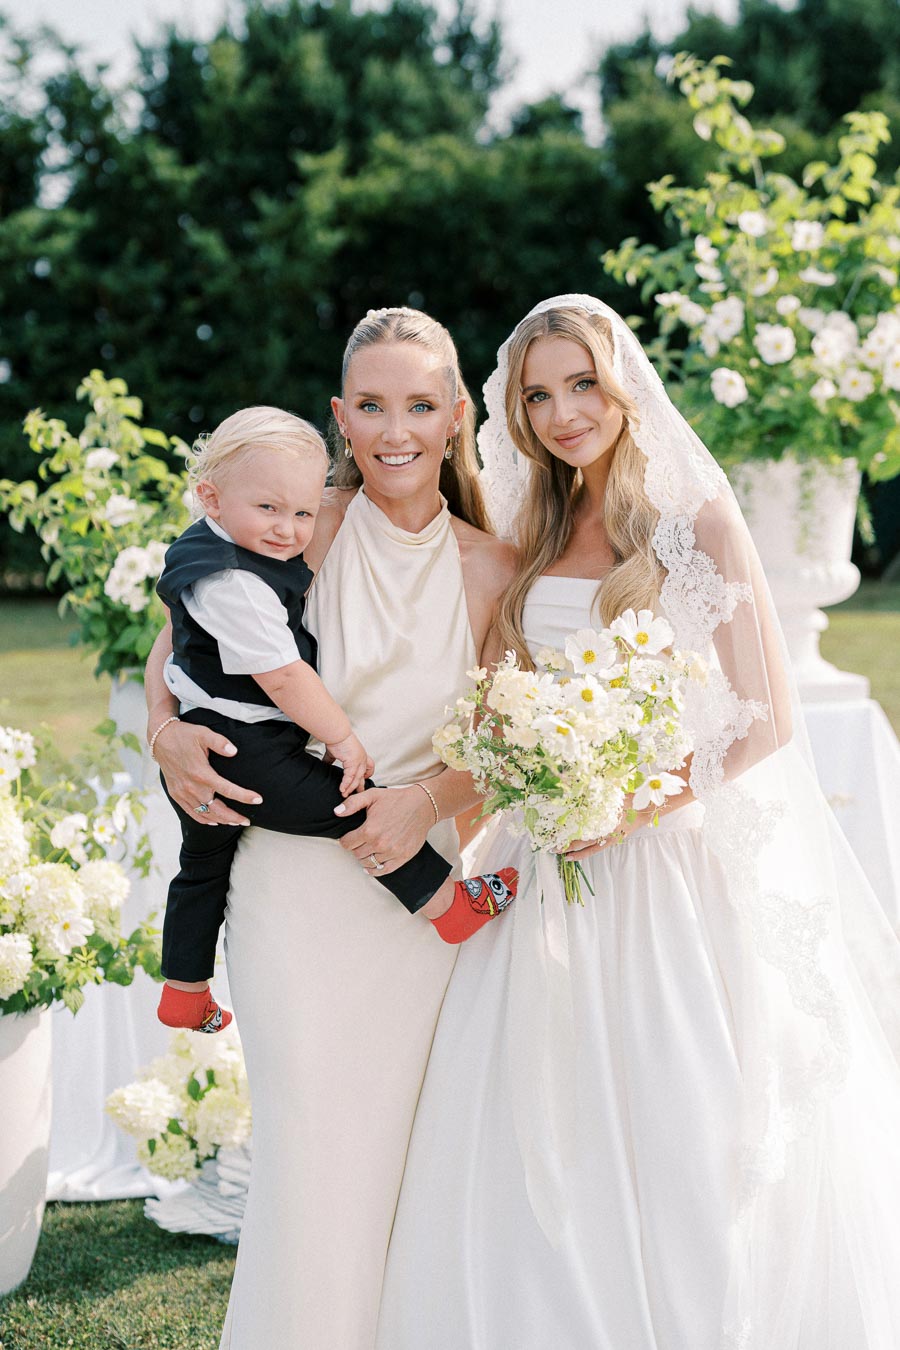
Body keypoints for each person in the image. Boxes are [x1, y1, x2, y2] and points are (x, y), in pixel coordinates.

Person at [376, 296, 900, 1350]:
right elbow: (500, 690)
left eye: (582, 385)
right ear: (517, 412)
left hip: (665, 858)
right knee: (528, 1117)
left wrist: (622, 805)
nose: (566, 412)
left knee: (683, 1111)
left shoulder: (695, 522)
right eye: (539, 394)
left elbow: (765, 716)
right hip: (542, 855)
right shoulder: (527, 530)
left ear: (622, 386)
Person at [145, 308, 516, 1348]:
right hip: (292, 894)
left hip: (420, 893)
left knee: (405, 1158)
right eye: (371, 406)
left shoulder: (493, 567)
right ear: (342, 418)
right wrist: (165, 734)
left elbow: (505, 741)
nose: (394, 429)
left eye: (418, 405)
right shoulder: (304, 523)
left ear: (454, 418)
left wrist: (425, 806)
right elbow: (180, 648)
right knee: (311, 1153)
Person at [153, 406, 517, 1034]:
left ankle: (184, 991)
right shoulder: (233, 582)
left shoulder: (215, 545)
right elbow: (284, 675)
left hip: (214, 732)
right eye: (269, 510)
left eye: (301, 513)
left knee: (201, 867)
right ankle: (445, 904)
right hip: (244, 747)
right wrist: (341, 737)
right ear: (210, 496)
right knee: (351, 806)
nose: (288, 531)